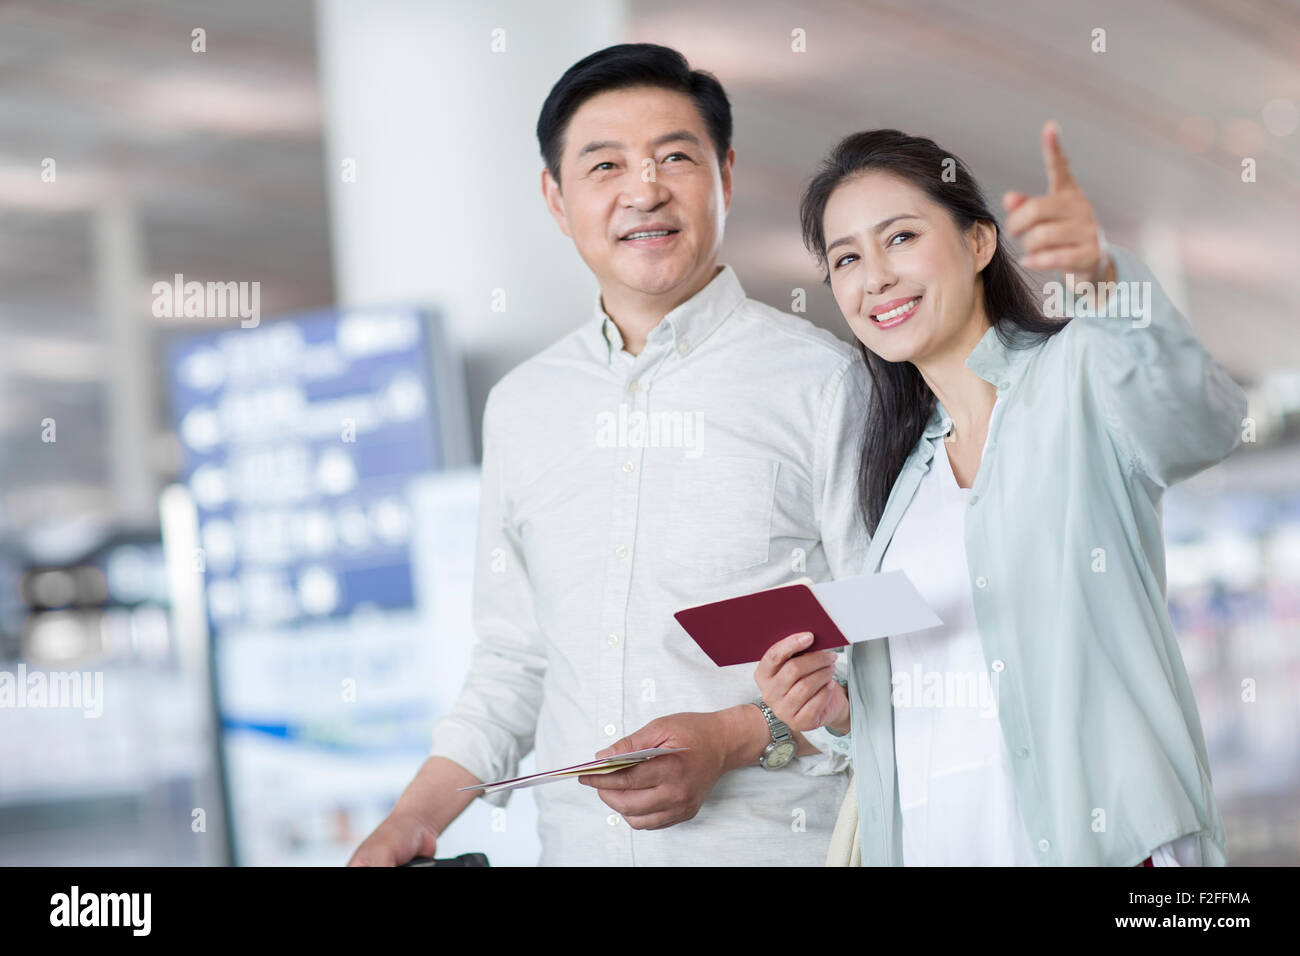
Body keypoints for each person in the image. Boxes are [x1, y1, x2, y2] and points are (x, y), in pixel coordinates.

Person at [349, 43, 868, 867]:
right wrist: (411, 821)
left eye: (674, 156)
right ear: (556, 199)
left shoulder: (826, 383)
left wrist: (735, 738)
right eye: (605, 165)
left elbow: (888, 653)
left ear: (725, 176)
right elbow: (514, 662)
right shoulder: (522, 408)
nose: (645, 188)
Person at [755, 123, 1245, 865]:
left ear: (980, 243)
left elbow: (1201, 419)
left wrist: (1107, 279)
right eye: (847, 258)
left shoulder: (1077, 379)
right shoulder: (900, 486)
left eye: (900, 238)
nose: (875, 277)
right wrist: (840, 711)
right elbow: (939, 692)